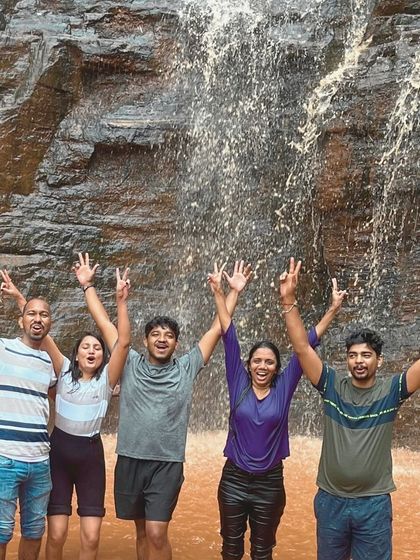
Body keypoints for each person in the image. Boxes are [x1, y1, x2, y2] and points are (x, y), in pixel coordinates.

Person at [72, 253, 253, 560]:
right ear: (145, 340)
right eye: (155, 334)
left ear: (176, 344)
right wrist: (88, 286)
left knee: (157, 531)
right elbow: (105, 323)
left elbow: (217, 330)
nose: (162, 339)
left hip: (166, 463)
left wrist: (232, 292)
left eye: (169, 336)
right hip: (130, 458)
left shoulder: (187, 366)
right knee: (141, 531)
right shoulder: (128, 360)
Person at [279, 257, 420, 560]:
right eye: (353, 355)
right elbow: (302, 348)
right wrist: (288, 299)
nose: (359, 361)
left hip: (373, 504)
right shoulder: (332, 385)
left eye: (366, 355)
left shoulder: (391, 391)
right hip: (331, 502)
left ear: (378, 361)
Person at [208, 263, 345, 560]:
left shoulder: (284, 386)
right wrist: (222, 292)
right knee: (230, 551)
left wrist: (333, 310)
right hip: (233, 480)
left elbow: (305, 345)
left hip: (270, 483)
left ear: (277, 368)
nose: (262, 366)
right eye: (257, 361)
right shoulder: (237, 381)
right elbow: (228, 334)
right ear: (248, 365)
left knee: (262, 552)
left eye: (269, 362)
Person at [1, 267, 131, 560]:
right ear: (76, 354)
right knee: (56, 533)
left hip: (90, 455)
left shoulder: (107, 381)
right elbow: (38, 327)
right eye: (85, 346)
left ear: (102, 358)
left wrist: (120, 301)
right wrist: (20, 298)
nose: (92, 350)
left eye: (97, 347)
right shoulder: (61, 372)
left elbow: (122, 342)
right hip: (57, 451)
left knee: (91, 535)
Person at [0, 286, 56, 560]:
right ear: (20, 319)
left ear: (50, 322)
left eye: (44, 315)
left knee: (34, 532)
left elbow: (64, 395)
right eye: (31, 314)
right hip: (5, 458)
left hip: (40, 462)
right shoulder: (3, 348)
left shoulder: (50, 362)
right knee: (1, 531)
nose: (37, 319)